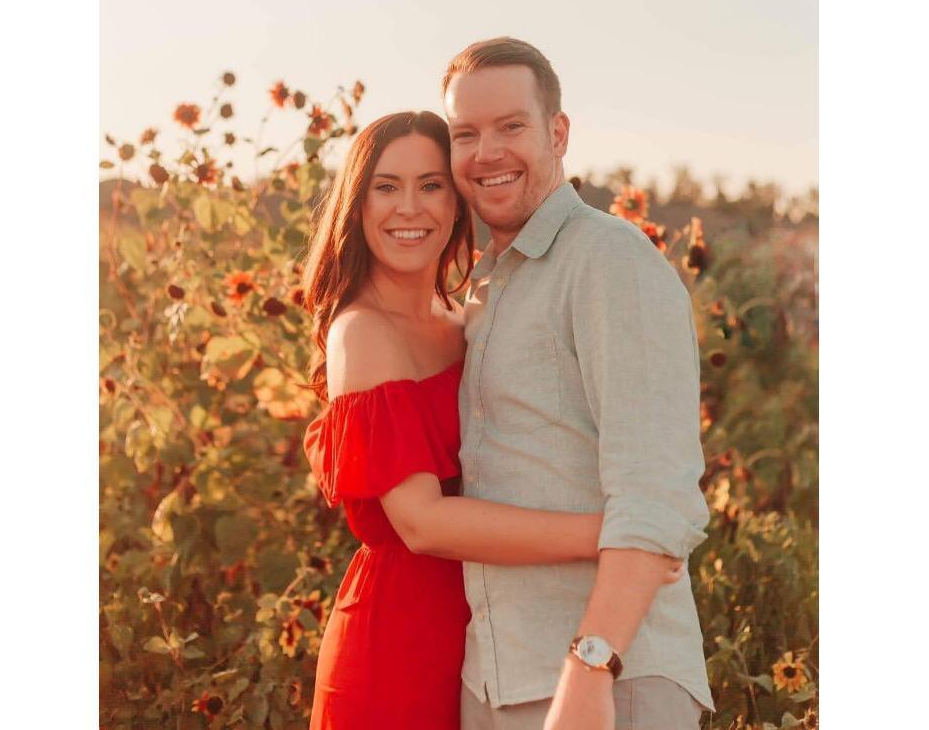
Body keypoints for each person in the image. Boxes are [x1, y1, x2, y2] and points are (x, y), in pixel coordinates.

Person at [301, 110, 685, 730]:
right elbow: (421, 524)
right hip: (396, 642)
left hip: (486, 637)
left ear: (457, 204)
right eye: (386, 186)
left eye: (430, 185)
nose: (410, 208)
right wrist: (616, 537)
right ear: (357, 204)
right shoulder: (361, 333)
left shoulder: (464, 319)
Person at [441, 38, 714, 730]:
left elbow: (655, 494)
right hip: (496, 678)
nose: (487, 152)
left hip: (607, 685)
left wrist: (590, 665)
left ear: (556, 133)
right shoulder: (485, 284)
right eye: (465, 134)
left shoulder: (608, 259)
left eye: (511, 126)